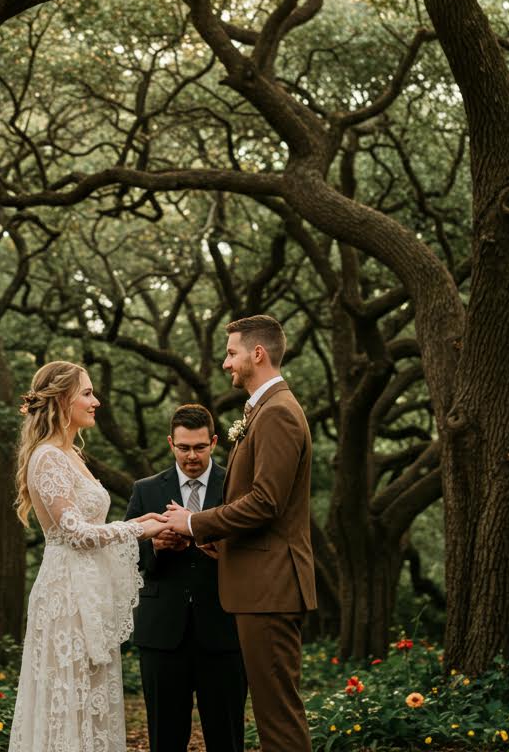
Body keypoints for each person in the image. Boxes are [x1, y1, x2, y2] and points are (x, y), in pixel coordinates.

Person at [161, 315, 316, 752]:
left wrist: (194, 523)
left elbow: (267, 502)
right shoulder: (263, 410)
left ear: (257, 354)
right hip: (260, 584)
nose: (226, 363)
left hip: (271, 586)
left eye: (232, 353)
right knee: (273, 714)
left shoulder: (279, 414)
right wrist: (221, 539)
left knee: (279, 718)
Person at [8, 360, 165, 752]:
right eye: (87, 393)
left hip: (88, 595)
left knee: (92, 699)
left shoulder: (72, 455)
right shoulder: (46, 457)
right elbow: (74, 533)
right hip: (66, 597)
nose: (97, 401)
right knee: (69, 699)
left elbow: (88, 521)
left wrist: (141, 519)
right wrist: (138, 529)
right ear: (62, 399)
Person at [124, 404, 247, 752]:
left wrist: (218, 544)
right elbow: (124, 554)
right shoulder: (145, 489)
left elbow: (254, 549)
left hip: (223, 631)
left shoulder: (237, 485)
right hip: (162, 634)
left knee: (228, 738)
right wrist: (156, 547)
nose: (191, 456)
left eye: (199, 447)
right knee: (165, 738)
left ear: (214, 442)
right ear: (170, 443)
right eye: (183, 448)